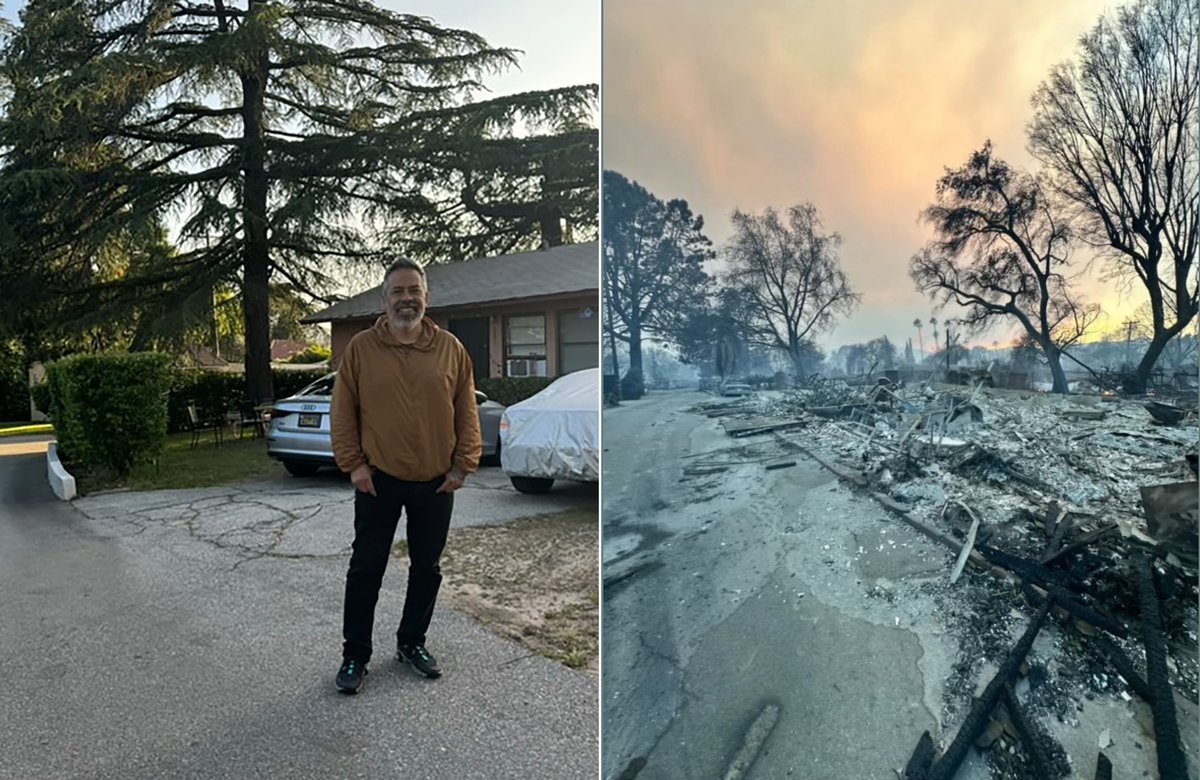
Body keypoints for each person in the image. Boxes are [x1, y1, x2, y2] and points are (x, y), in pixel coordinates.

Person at [330, 256, 482, 693]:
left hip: (436, 481)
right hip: (378, 479)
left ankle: (411, 642)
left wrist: (462, 466)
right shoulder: (360, 348)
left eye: (413, 290)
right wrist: (354, 465)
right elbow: (342, 412)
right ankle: (354, 656)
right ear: (384, 299)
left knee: (426, 568)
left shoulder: (451, 349)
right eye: (397, 291)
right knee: (366, 568)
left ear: (426, 298)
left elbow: (466, 412)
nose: (406, 299)